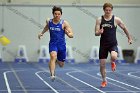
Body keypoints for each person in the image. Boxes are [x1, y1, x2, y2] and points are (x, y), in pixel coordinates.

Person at [95, 3, 132, 87]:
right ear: (103, 10)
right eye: (106, 10)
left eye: (109, 10)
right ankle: (104, 80)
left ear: (111, 10)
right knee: (102, 65)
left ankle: (112, 62)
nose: (108, 11)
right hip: (103, 45)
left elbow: (124, 28)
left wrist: (129, 38)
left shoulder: (116, 19)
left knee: (114, 56)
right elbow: (96, 33)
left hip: (112, 43)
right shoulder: (99, 20)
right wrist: (99, 32)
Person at [38, 6, 73, 81]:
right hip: (53, 44)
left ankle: (53, 61)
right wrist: (41, 33)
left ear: (61, 15)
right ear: (53, 14)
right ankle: (52, 75)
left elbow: (71, 35)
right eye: (55, 14)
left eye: (58, 14)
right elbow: (46, 27)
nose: (57, 15)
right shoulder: (49, 21)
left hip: (61, 46)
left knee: (61, 65)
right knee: (53, 56)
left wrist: (68, 34)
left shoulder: (64, 23)